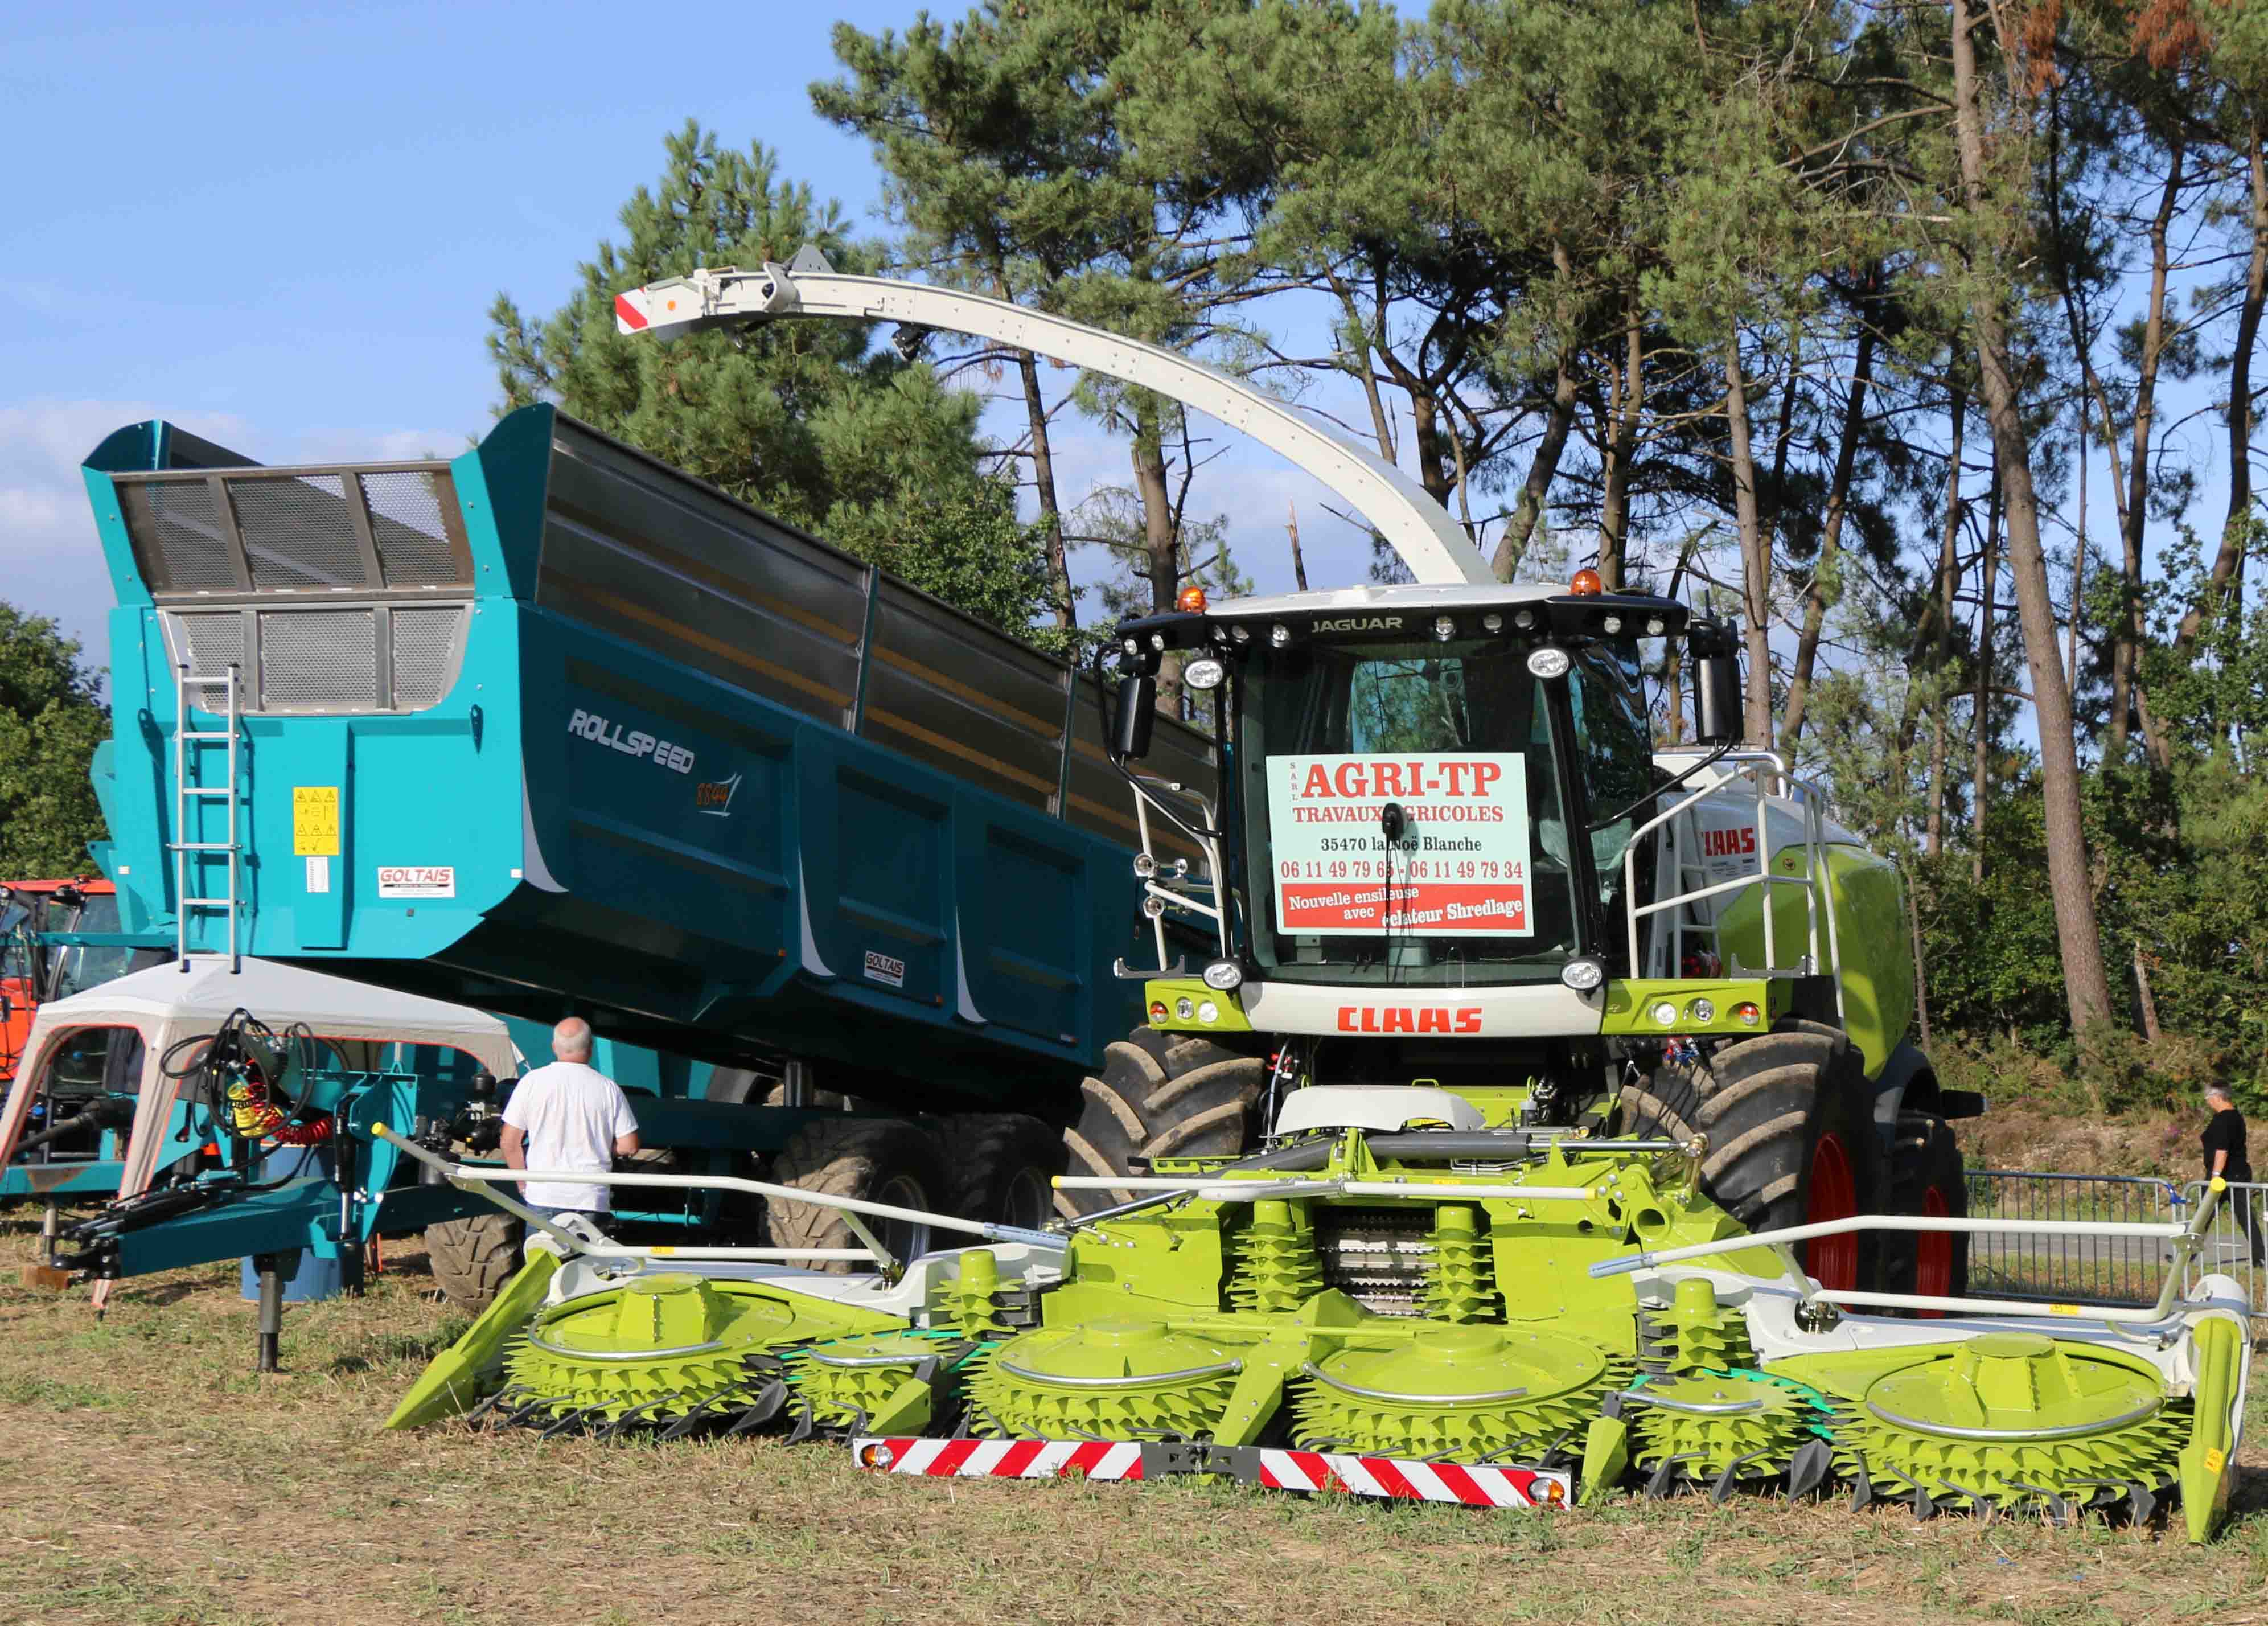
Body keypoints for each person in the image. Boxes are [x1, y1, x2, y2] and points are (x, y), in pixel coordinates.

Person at [500, 1016, 640, 1230]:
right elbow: (630, 1146)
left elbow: (509, 1143)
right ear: (590, 1048)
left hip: (543, 1196)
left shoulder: (532, 1082)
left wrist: (523, 1183)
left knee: (544, 1262)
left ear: (554, 1047)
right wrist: (599, 1146)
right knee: (587, 1264)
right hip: (590, 1198)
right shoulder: (608, 1088)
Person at [2200, 1083, 2263, 1267]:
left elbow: (2222, 1150)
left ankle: (2186, 1256)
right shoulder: (2236, 1117)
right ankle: (2259, 1258)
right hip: (2237, 1175)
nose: (2208, 1103)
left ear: (2217, 1097)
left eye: (2208, 1099)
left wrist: (2216, 1175)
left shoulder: (2224, 1119)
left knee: (2203, 1217)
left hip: (2224, 1177)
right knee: (2245, 1218)